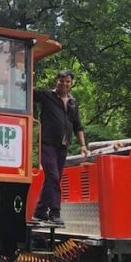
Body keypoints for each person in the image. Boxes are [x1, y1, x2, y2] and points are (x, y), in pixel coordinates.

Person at [33, 70, 89, 225]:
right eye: (62, 81)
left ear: (71, 84)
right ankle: (55, 213)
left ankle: (40, 210)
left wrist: (83, 146)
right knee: (53, 177)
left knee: (52, 179)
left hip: (63, 146)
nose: (64, 84)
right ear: (56, 81)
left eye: (68, 82)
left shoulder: (73, 103)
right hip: (47, 143)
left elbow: (78, 126)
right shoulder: (47, 96)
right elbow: (28, 93)